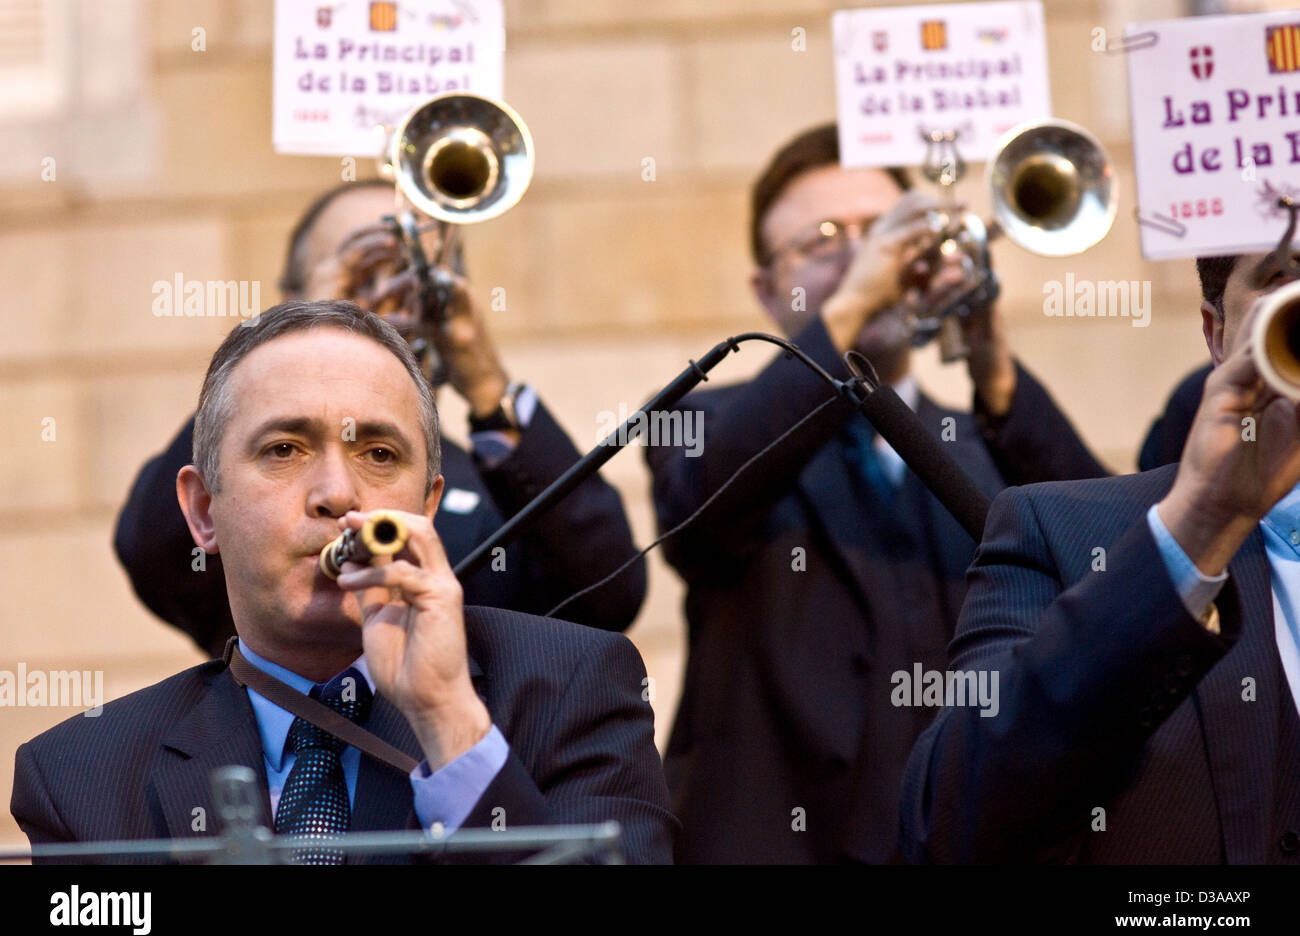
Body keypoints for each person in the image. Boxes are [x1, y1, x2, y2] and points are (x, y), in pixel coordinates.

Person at [13, 300, 675, 864]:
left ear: (429, 507)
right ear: (203, 510)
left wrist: (449, 721)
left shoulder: (576, 690)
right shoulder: (78, 774)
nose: (337, 493)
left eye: (379, 454)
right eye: (284, 448)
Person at [645, 123, 1104, 864]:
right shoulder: (701, 418)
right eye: (825, 238)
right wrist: (852, 306)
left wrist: (994, 365)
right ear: (767, 290)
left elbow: (1105, 559)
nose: (865, 253)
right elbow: (701, 513)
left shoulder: (993, 431)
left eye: (884, 230)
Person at [114, 179, 645, 658]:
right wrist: (312, 329)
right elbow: (155, 550)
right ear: (291, 297)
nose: (386, 299)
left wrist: (489, 387)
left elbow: (608, 595)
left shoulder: (485, 481)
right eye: (361, 271)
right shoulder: (237, 468)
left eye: (415, 274)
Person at [900, 248, 1300, 863]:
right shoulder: (1058, 532)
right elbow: (948, 823)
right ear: (1218, 334)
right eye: (1285, 279)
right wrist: (1199, 528)